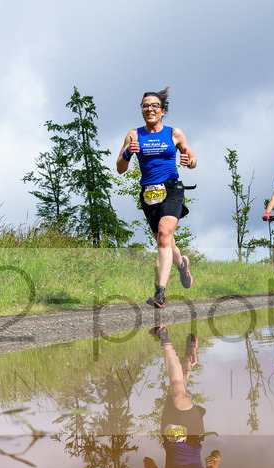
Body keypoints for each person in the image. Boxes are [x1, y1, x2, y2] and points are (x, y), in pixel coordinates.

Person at [117, 87, 197, 309]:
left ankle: (160, 293)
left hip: (172, 189)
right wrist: (127, 153)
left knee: (164, 236)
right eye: (145, 105)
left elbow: (193, 159)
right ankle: (182, 265)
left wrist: (187, 161)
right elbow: (120, 169)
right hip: (149, 193)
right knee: (166, 242)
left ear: (163, 111)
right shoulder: (134, 134)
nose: (149, 109)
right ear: (141, 111)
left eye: (154, 105)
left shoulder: (174, 133)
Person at [143, 325, 220, 468]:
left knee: (177, 386)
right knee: (178, 391)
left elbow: (147, 461)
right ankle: (164, 337)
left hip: (168, 432)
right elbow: (217, 456)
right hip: (194, 432)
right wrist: (214, 459)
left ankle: (189, 356)